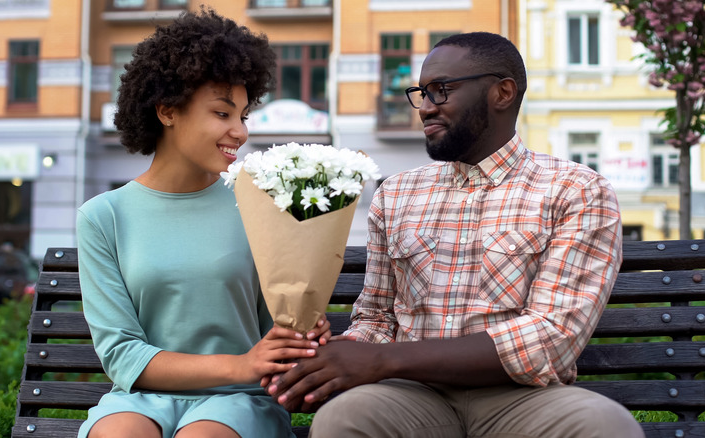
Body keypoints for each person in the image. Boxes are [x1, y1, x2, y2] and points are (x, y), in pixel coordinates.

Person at [266, 32, 645, 438]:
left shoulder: (576, 190)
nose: (426, 108)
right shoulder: (396, 193)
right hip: (410, 398)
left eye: (441, 91)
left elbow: (551, 337)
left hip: (524, 399)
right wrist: (330, 358)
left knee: (605, 425)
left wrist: (383, 361)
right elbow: (376, 316)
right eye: (422, 94)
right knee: (346, 417)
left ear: (502, 93)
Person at [76, 9, 330, 438]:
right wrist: (241, 362)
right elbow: (121, 353)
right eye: (222, 113)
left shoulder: (263, 204)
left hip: (240, 400)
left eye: (244, 115)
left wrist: (303, 326)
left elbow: (281, 326)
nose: (240, 132)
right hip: (143, 396)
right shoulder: (104, 216)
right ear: (167, 111)